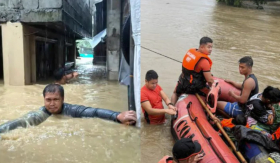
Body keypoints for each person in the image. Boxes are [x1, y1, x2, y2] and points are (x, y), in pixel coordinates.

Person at [0, 84, 136, 134]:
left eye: (56, 100)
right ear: (44, 100)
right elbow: (20, 122)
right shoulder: (42, 113)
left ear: (63, 100)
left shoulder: (72, 110)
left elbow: (94, 112)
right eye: (48, 100)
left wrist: (117, 116)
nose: (52, 104)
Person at [171, 37, 214, 104]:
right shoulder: (204, 61)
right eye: (209, 47)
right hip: (193, 87)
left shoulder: (191, 52)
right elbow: (209, 80)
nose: (211, 49)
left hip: (182, 80)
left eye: (211, 47)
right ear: (202, 47)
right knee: (213, 93)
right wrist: (212, 88)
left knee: (175, 92)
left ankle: (171, 108)